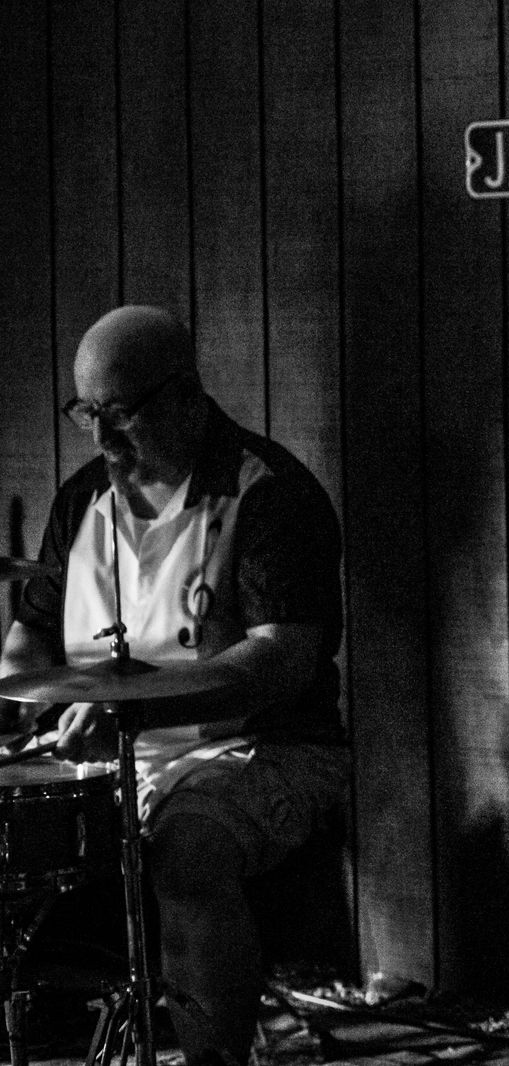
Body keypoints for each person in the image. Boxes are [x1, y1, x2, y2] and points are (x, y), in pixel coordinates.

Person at [0, 306, 348, 1066]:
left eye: (121, 414)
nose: (101, 437)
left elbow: (279, 662)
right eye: (87, 413)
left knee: (187, 852)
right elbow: (30, 634)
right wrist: (24, 699)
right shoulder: (82, 498)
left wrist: (133, 711)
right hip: (110, 753)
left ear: (186, 395)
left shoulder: (267, 493)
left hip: (261, 749)